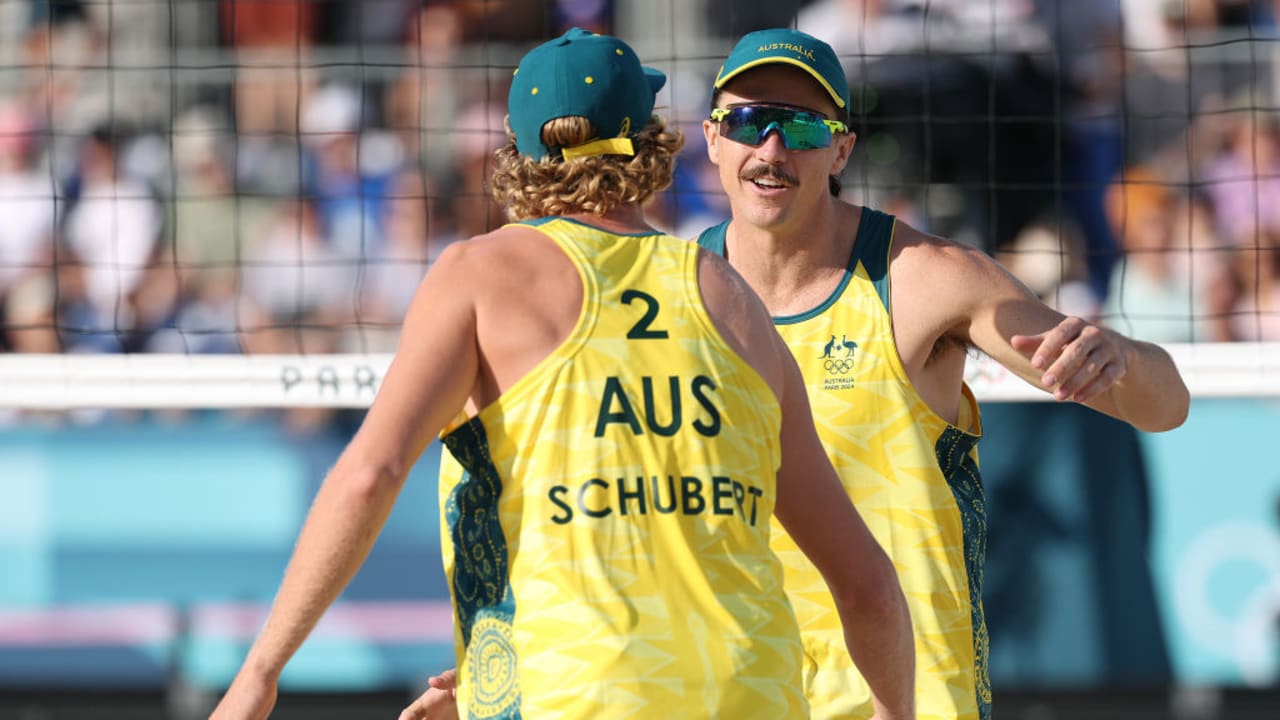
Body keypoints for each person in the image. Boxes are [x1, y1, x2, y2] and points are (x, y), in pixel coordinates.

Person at [212, 28, 914, 720]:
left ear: (516, 151)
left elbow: (371, 474)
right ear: (651, 141)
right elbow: (870, 590)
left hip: (574, 694)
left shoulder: (481, 275)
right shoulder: (732, 298)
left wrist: (260, 674)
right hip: (750, 694)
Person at [691, 28, 1189, 720]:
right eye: (749, 121)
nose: (771, 149)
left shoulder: (926, 282)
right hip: (741, 688)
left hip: (907, 698)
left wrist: (1123, 359)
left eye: (802, 127)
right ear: (712, 138)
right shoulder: (673, 295)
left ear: (841, 149)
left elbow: (1165, 406)